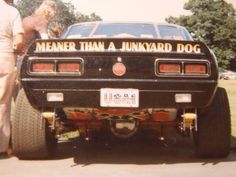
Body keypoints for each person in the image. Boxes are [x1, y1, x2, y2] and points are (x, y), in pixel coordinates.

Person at [0, 0, 24, 157]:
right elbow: (19, 41)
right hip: (4, 56)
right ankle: (1, 148)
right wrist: (17, 52)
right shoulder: (11, 12)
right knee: (3, 102)